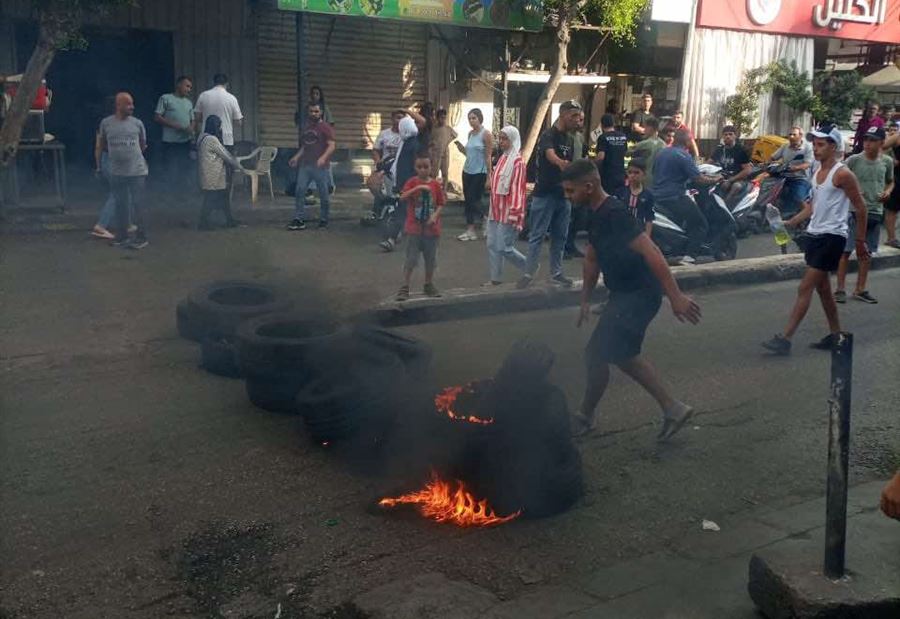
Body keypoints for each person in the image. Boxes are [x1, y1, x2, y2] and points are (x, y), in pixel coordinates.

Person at [561, 159, 701, 439]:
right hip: (623, 294)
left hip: (640, 294)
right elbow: (591, 258)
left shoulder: (614, 213)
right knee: (608, 354)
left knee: (611, 353)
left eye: (570, 191)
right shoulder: (594, 212)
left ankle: (588, 416)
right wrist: (585, 300)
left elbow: (652, 252)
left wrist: (675, 297)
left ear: (589, 187)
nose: (568, 196)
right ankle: (670, 408)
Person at [762, 126, 869, 356]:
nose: (817, 149)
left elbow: (861, 208)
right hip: (815, 234)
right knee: (824, 290)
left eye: (821, 145)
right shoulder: (816, 170)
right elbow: (813, 206)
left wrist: (860, 241)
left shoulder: (843, 174)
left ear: (833, 146)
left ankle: (785, 339)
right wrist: (791, 222)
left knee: (805, 287)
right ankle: (836, 336)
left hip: (833, 237)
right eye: (815, 144)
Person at [519, 100, 582, 289]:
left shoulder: (571, 138)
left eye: (579, 117)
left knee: (560, 236)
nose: (577, 120)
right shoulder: (549, 134)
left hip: (563, 196)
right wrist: (560, 163)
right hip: (544, 193)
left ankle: (556, 273)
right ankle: (528, 273)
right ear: (562, 115)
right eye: (573, 116)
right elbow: (549, 154)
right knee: (537, 235)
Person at [835, 126, 893, 304]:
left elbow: (890, 181)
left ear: (882, 143)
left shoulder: (887, 162)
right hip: (854, 212)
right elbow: (838, 179)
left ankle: (860, 288)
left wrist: (888, 191)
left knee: (866, 253)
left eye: (872, 140)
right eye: (866, 139)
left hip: (875, 211)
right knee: (845, 251)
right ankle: (840, 289)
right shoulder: (854, 160)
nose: (867, 143)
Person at [651, 129, 720, 263]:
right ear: (688, 141)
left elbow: (655, 172)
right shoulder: (683, 155)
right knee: (700, 224)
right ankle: (690, 256)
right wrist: (715, 179)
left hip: (657, 196)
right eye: (691, 140)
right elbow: (698, 179)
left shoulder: (662, 152)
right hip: (674, 197)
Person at [97, 92, 149, 249]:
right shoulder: (106, 123)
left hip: (137, 171)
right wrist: (101, 165)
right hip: (117, 171)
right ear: (118, 105)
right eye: (128, 104)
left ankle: (141, 237)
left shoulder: (137, 123)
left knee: (138, 204)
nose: (131, 107)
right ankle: (122, 237)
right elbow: (103, 145)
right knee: (120, 205)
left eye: (132, 104)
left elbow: (143, 144)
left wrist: (130, 156)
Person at [396, 155, 445, 301]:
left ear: (431, 167)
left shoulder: (435, 185)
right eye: (419, 167)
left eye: (426, 167)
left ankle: (428, 283)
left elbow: (441, 203)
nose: (423, 170)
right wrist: (417, 187)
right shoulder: (412, 182)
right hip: (414, 229)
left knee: (430, 259)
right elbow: (402, 197)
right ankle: (405, 286)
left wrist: (435, 216)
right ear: (415, 168)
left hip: (431, 229)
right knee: (411, 259)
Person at [485, 125, 527, 285]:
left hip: (508, 211)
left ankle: (528, 267)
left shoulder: (518, 162)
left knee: (504, 247)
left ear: (513, 140)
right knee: (492, 244)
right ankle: (495, 279)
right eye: (500, 138)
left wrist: (516, 215)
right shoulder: (502, 158)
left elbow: (517, 190)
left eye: (505, 139)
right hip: (495, 210)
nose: (501, 142)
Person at [287, 102, 336, 230]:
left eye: (316, 111)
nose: (314, 114)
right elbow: (305, 146)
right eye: (311, 111)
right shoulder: (307, 128)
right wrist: (296, 157)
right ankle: (299, 218)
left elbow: (332, 145)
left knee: (323, 194)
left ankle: (324, 219)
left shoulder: (325, 127)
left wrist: (323, 158)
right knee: (299, 191)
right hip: (306, 165)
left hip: (321, 167)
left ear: (321, 113)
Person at [380, 116, 422, 252]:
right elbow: (399, 164)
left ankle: (392, 239)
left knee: (401, 211)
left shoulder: (413, 144)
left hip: (409, 184)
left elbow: (416, 166)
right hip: (404, 183)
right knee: (405, 211)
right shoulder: (407, 142)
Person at [197, 115, 245, 230]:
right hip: (213, 175)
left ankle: (229, 220)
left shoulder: (202, 137)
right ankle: (203, 223)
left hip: (207, 173)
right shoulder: (212, 139)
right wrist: (239, 166)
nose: (220, 128)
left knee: (222, 198)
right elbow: (225, 155)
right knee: (210, 199)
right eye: (218, 126)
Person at [455, 108, 493, 241]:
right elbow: (469, 153)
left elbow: (488, 156)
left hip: (480, 172)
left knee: (474, 199)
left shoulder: (486, 134)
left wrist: (489, 176)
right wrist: (462, 149)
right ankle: (470, 229)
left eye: (474, 118)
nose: (471, 121)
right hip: (467, 171)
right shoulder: (470, 134)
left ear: (480, 118)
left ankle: (487, 217)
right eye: (469, 118)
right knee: (468, 200)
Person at [153, 76, 194, 192]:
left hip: (185, 141)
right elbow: (157, 117)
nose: (189, 89)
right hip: (170, 142)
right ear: (178, 85)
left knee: (184, 167)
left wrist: (191, 128)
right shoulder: (166, 98)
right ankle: (169, 194)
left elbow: (193, 119)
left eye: (190, 87)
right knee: (171, 168)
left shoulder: (188, 103)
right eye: (187, 86)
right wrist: (174, 125)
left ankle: (182, 193)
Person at [367, 109, 406, 219]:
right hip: (385, 168)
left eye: (402, 118)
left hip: (400, 170)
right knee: (372, 183)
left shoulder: (407, 135)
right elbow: (375, 150)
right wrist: (378, 161)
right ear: (392, 119)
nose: (400, 120)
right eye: (398, 117)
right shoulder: (384, 134)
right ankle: (380, 208)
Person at [770, 126, 814, 215]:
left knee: (798, 198)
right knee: (770, 193)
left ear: (801, 136)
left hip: (800, 178)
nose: (791, 137)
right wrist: (768, 163)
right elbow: (773, 157)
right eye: (790, 134)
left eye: (794, 134)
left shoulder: (807, 147)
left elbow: (807, 164)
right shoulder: (785, 146)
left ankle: (810, 216)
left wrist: (795, 168)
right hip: (783, 176)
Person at [195, 74, 243, 152]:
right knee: (224, 163)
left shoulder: (203, 95)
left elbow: (197, 117)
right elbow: (238, 122)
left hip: (206, 139)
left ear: (214, 83)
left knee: (207, 163)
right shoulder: (231, 98)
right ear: (226, 84)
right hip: (226, 139)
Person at [708, 125, 752, 204]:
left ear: (735, 136)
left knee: (736, 186)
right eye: (725, 134)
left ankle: (725, 207)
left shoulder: (740, 150)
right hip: (723, 176)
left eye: (730, 134)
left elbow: (747, 170)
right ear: (722, 136)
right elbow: (708, 163)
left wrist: (730, 180)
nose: (728, 136)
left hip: (738, 178)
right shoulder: (719, 149)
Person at [616, 159, 655, 235]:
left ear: (644, 174)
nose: (632, 176)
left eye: (636, 173)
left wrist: (647, 237)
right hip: (621, 232)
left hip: (639, 233)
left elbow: (649, 219)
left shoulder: (648, 195)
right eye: (630, 172)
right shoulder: (621, 192)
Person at [594, 113, 628, 196]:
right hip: (620, 174)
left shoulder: (603, 137)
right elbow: (625, 152)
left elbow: (601, 157)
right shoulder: (623, 136)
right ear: (613, 124)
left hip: (607, 176)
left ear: (601, 125)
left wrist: (592, 166)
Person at [630, 116, 665, 189]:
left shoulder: (644, 144)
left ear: (650, 128)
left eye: (645, 127)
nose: (644, 130)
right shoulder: (664, 145)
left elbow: (627, 152)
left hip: (646, 180)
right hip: (660, 180)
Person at [431, 108, 457, 192]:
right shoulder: (433, 129)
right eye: (441, 118)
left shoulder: (448, 128)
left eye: (444, 118)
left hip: (445, 153)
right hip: (435, 154)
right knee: (433, 174)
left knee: (445, 173)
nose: (443, 120)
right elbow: (429, 141)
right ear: (437, 118)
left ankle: (444, 191)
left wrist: (447, 142)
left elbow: (455, 135)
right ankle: (433, 190)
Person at [884, 122, 900, 249]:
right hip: (898, 178)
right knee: (892, 208)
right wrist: (891, 161)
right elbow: (879, 147)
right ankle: (891, 238)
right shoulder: (897, 137)